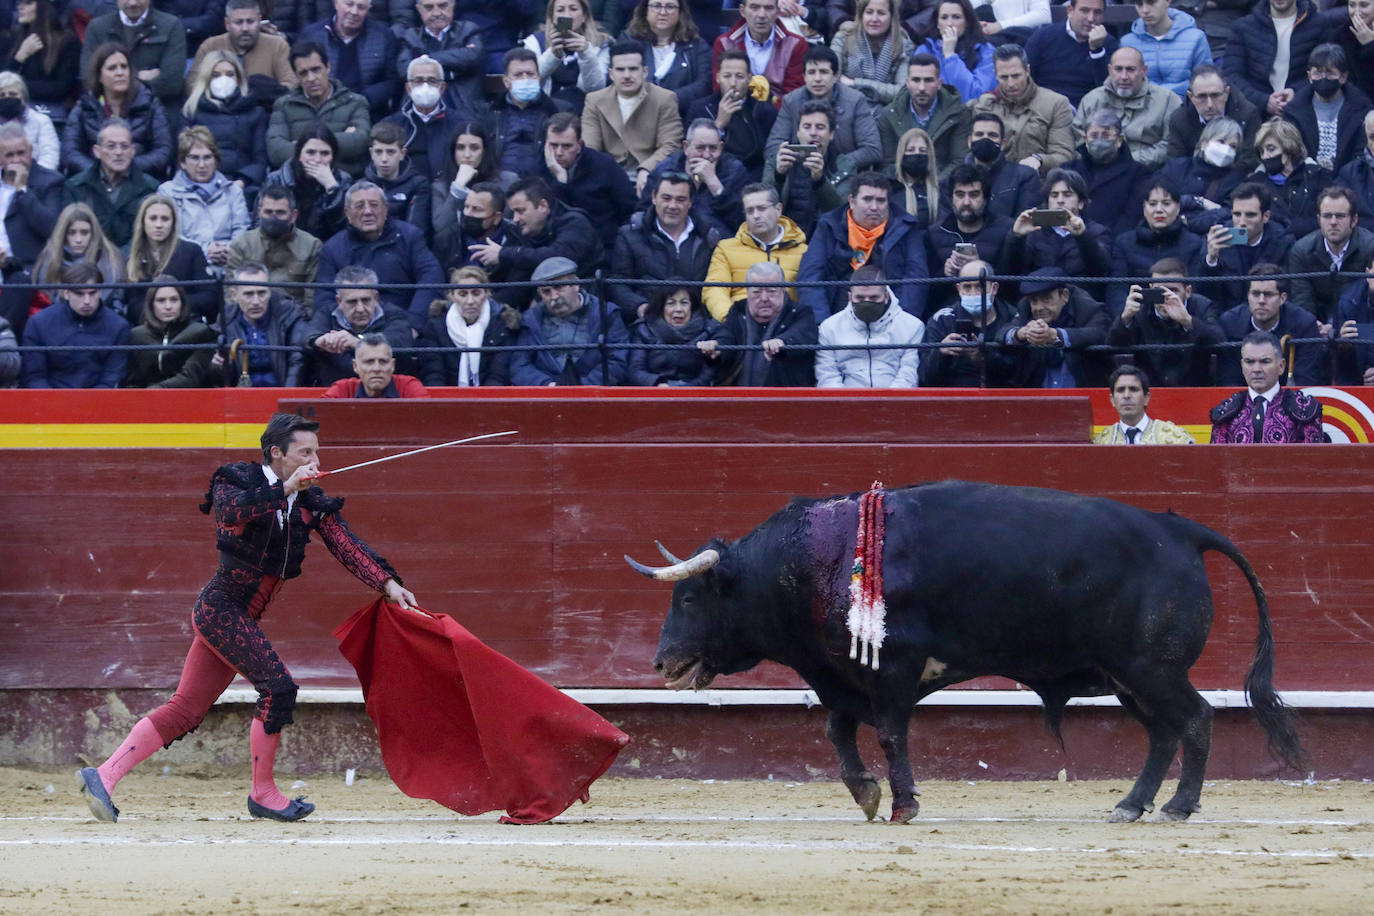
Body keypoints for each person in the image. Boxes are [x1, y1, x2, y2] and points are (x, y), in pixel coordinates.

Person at [75, 412, 417, 824]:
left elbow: (345, 543)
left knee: (186, 708)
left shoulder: (309, 500)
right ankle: (263, 793)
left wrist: (387, 584)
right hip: (221, 609)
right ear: (277, 453)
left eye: (316, 452)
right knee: (278, 687)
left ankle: (104, 775)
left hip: (238, 616)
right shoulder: (239, 480)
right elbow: (230, 514)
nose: (314, 460)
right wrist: (285, 489)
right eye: (304, 452)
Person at [797, 170, 929, 322]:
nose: (874, 207)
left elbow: (916, 279)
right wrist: (822, 324)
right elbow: (810, 277)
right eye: (867, 199)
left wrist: (900, 322)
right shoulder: (828, 225)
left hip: (891, 314)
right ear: (852, 201)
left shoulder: (907, 227)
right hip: (837, 315)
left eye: (881, 200)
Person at [316, 181, 444, 332]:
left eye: (374, 205)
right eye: (359, 206)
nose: (368, 211)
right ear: (347, 214)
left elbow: (431, 277)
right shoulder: (332, 248)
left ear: (386, 209)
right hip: (351, 329)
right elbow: (324, 298)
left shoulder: (410, 237)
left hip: (403, 326)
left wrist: (414, 324)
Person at [609, 170, 722, 323]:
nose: (672, 205)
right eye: (666, 198)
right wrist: (640, 307)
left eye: (680, 199)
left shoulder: (709, 237)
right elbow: (618, 283)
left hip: (699, 325)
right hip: (648, 324)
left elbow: (718, 286)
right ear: (654, 197)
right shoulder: (629, 235)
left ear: (690, 203)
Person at [469, 177, 603, 296]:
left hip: (584, 297)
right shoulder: (521, 230)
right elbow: (518, 281)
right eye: (513, 212)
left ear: (543, 206)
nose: (515, 219)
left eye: (520, 211)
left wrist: (505, 253)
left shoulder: (575, 223)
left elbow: (558, 259)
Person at [581, 40, 686, 193]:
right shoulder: (594, 100)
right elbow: (590, 148)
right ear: (611, 73)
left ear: (645, 71)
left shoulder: (665, 98)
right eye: (620, 70)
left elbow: (671, 145)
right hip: (608, 178)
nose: (627, 75)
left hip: (651, 177)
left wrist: (646, 169)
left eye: (633, 69)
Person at [508, 255, 630, 385]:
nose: (554, 296)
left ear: (576, 284)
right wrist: (547, 386)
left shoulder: (606, 313)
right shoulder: (531, 319)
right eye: (546, 291)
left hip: (594, 395)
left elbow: (617, 361)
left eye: (559, 287)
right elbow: (519, 366)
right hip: (547, 396)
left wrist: (584, 389)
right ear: (539, 294)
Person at [764, 46, 882, 177]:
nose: (817, 78)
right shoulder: (791, 101)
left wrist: (839, 166)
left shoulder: (855, 100)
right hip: (801, 173)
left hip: (844, 176)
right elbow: (772, 147)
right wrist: (799, 159)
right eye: (811, 72)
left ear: (836, 75)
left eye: (824, 72)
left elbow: (872, 149)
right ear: (804, 76)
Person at [61, 42, 172, 178]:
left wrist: (124, 167)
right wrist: (101, 171)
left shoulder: (150, 104)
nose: (120, 73)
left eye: (124, 67)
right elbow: (70, 152)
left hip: (139, 180)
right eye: (112, 68)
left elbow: (163, 151)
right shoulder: (84, 106)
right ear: (99, 76)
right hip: (94, 182)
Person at [1108, 256, 1223, 387]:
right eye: (1160, 291)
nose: (1166, 297)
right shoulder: (1140, 309)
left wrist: (1188, 321)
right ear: (1150, 288)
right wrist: (1125, 318)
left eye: (1173, 290)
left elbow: (1220, 342)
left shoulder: (1202, 306)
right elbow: (1112, 345)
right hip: (1150, 391)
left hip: (1194, 389)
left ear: (1188, 291)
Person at [538, 112, 638, 258]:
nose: (558, 153)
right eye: (553, 145)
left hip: (603, 251)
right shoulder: (538, 169)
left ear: (579, 145)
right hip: (556, 251)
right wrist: (560, 180)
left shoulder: (604, 166)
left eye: (566, 146)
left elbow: (629, 211)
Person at [1223, 0, 1346, 118]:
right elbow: (1232, 75)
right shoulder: (1243, 27)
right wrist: (1263, 101)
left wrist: (1296, 93)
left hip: (1305, 111)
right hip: (1255, 113)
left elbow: (1328, 70)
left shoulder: (1320, 24)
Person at [703, 182, 807, 320]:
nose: (756, 215)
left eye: (762, 208)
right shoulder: (726, 249)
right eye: (750, 210)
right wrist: (731, 320)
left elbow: (811, 294)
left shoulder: (803, 251)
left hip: (788, 327)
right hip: (740, 327)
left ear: (778, 209)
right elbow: (714, 289)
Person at [267, 41, 371, 178]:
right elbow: (276, 151)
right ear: (296, 76)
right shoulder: (284, 105)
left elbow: (359, 142)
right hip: (298, 182)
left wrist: (302, 146)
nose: (311, 78)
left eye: (316, 70)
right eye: (303, 73)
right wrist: (336, 141)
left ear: (328, 67)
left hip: (344, 180)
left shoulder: (354, 102)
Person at [20, 261, 130, 388]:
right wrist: (53, 404)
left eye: (92, 293)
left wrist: (90, 405)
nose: (87, 301)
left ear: (100, 292)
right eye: (79, 294)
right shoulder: (39, 323)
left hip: (98, 403)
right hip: (50, 402)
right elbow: (34, 376)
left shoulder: (118, 327)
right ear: (66, 293)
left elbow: (112, 378)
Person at [970, 43, 1074, 176]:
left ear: (1027, 70)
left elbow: (1064, 155)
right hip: (993, 181)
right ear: (995, 75)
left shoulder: (1056, 104)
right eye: (1004, 77)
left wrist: (1040, 160)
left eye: (1016, 76)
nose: (1011, 84)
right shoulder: (985, 105)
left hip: (1038, 182)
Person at [158, 128, 251, 276]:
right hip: (186, 265)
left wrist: (227, 250)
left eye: (207, 157)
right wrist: (206, 250)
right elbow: (173, 234)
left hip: (230, 264)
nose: (202, 165)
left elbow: (241, 229)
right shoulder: (167, 192)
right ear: (183, 162)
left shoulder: (233, 191)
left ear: (216, 160)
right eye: (194, 158)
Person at [1215, 263, 1326, 386]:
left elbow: (1306, 379)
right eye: (1255, 294)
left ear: (1283, 298)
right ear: (1248, 296)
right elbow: (1228, 380)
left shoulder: (1304, 324)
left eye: (1268, 294)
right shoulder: (1230, 323)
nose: (1261, 301)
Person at [815, 263, 924, 388]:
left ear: (886, 296)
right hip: (845, 402)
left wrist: (888, 403)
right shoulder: (830, 328)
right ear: (850, 297)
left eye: (873, 298)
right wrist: (845, 404)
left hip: (895, 402)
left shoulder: (912, 326)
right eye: (860, 298)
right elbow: (827, 376)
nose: (867, 302)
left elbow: (908, 375)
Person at [305, 264, 417, 385]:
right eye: (352, 302)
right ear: (339, 301)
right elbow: (308, 335)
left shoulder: (393, 313)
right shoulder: (326, 313)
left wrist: (359, 342)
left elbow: (401, 342)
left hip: (387, 392)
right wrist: (320, 341)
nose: (360, 308)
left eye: (365, 300)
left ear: (376, 298)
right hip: (334, 393)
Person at [710, 259, 816, 386]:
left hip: (784, 398)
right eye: (756, 292)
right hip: (737, 397)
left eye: (771, 291)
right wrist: (717, 347)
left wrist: (783, 343)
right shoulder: (738, 310)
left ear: (783, 290)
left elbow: (801, 335)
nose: (764, 298)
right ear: (747, 292)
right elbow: (727, 336)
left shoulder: (801, 313)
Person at [1001, 266, 1111, 387]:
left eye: (1046, 299)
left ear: (1064, 295)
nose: (1039, 307)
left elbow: (1100, 333)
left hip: (1084, 388)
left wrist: (1055, 335)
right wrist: (1022, 333)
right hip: (1037, 392)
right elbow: (1002, 333)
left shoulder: (1086, 306)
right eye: (1034, 301)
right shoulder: (1025, 306)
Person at [1074, 47, 1182, 170]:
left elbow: (1171, 143)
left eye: (1131, 70)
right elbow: (1078, 136)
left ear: (1144, 71)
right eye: (1118, 69)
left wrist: (1127, 162)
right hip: (1096, 168)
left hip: (1147, 171)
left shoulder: (1167, 100)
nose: (1124, 76)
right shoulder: (1092, 99)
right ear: (1109, 70)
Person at [1004, 168, 1112, 287]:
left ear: (1081, 203)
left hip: (1081, 301)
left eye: (1067, 195)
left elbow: (1101, 271)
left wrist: (1083, 236)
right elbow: (1012, 274)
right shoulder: (1035, 231)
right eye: (1054, 195)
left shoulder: (1098, 232)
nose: (1060, 201)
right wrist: (1016, 237)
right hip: (1039, 299)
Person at [1209, 330, 1325, 442]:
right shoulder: (1226, 413)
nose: (1257, 369)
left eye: (1265, 361)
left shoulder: (1303, 410)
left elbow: (1312, 459)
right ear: (1242, 366)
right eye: (1249, 362)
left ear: (1281, 366)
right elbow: (1216, 460)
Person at [226, 186, 323, 317]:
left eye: (280, 212)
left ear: (293, 215)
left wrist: (303, 322)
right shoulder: (241, 244)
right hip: (249, 316)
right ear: (259, 212)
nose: (273, 218)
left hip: (294, 317)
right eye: (268, 212)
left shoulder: (311, 245)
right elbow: (231, 292)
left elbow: (312, 297)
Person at [62, 120, 160, 249]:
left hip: (134, 262)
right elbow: (69, 234)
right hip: (88, 261)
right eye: (111, 146)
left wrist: (119, 260)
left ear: (132, 151)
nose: (118, 152)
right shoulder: (76, 186)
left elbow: (149, 237)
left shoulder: (149, 188)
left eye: (124, 146)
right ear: (97, 151)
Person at [919, 257, 1017, 387]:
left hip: (1001, 396)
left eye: (979, 286)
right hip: (952, 397)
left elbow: (1020, 375)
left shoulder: (1012, 317)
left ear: (994, 288)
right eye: (967, 287)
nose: (973, 293)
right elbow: (924, 377)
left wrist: (985, 358)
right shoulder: (942, 320)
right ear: (959, 289)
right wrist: (941, 354)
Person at [926, 163, 1012, 310]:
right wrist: (945, 274)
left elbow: (1015, 283)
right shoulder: (935, 233)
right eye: (960, 194)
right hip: (948, 315)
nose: (966, 202)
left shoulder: (1006, 229)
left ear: (985, 198)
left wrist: (982, 267)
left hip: (996, 313)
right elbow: (927, 291)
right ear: (951, 198)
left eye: (974, 195)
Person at [642, 118, 749, 236]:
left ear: (721, 148)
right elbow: (644, 213)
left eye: (713, 148)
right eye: (700, 148)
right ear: (686, 147)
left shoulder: (734, 171)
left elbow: (742, 222)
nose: (707, 155)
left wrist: (715, 185)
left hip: (719, 243)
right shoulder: (665, 169)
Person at [1110, 178, 1203, 313]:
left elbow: (1195, 289)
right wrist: (1126, 315)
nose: (1159, 210)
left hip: (1179, 315)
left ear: (1178, 208)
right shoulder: (1124, 242)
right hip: (1136, 318)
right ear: (1144, 208)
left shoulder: (1193, 243)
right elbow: (1117, 289)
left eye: (1166, 203)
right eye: (1152, 204)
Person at [298, 0, 402, 121]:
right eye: (349, 4)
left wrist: (363, 100)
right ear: (336, 3)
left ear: (368, 9)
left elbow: (393, 81)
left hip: (368, 111)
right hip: (321, 111)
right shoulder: (312, 35)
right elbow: (300, 75)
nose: (354, 12)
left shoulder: (384, 35)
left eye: (361, 7)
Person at [1286, 186, 1374, 328]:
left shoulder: (1370, 248)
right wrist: (1314, 327)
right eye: (1327, 216)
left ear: (1354, 220)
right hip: (1318, 329)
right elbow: (1303, 301)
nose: (1333, 222)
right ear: (1319, 219)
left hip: (1359, 326)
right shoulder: (1301, 250)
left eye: (1340, 216)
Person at [764, 101, 855, 237]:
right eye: (807, 127)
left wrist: (820, 181)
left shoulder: (844, 165)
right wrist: (779, 176)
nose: (813, 133)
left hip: (823, 238)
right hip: (782, 236)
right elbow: (763, 207)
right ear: (798, 133)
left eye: (820, 127)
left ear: (831, 134)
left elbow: (841, 213)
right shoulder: (777, 160)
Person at [1196, 182, 1295, 307]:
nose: (1242, 222)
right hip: (1227, 316)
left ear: (1266, 216)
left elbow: (1290, 292)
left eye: (1250, 215)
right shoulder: (1217, 239)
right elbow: (1206, 296)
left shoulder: (1283, 243)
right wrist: (1210, 261)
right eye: (1237, 214)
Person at [183, 52, 270, 193]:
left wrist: (242, 182)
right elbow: (183, 156)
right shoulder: (191, 111)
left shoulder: (255, 112)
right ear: (206, 78)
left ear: (239, 78)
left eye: (230, 74)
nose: (224, 79)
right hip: (199, 185)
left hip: (242, 186)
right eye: (216, 75)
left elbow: (260, 158)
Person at [684, 49, 778, 179]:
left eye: (739, 76)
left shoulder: (764, 110)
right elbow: (690, 150)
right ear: (718, 78)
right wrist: (718, 125)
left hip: (752, 178)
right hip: (710, 173)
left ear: (749, 79)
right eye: (727, 76)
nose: (733, 83)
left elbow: (767, 156)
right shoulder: (700, 108)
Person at [419, 265, 519, 386]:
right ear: (452, 295)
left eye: (476, 293)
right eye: (462, 294)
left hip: (488, 399)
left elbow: (498, 375)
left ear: (487, 293)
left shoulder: (502, 325)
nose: (470, 301)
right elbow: (433, 374)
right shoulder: (435, 326)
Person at [79, 0, 188, 109]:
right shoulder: (97, 28)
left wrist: (116, 83)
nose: (133, 3)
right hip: (108, 113)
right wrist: (138, 76)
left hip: (158, 111)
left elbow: (172, 84)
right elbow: (88, 78)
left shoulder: (171, 26)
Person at [878, 52, 969, 180]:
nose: (921, 88)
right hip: (902, 187)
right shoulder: (889, 115)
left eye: (928, 80)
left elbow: (959, 161)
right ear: (907, 82)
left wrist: (932, 187)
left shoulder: (958, 113)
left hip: (942, 186)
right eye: (916, 80)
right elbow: (888, 164)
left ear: (939, 83)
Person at [1281, 44, 1371, 174]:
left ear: (1343, 77)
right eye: (1317, 73)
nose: (1323, 78)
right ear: (1309, 76)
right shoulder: (1294, 111)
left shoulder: (1362, 108)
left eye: (1329, 73)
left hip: (1350, 180)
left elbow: (1362, 152)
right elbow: (1290, 151)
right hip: (1305, 179)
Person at [126, 194, 215, 323]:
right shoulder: (133, 257)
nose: (159, 225)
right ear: (143, 222)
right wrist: (156, 311)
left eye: (165, 219)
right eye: (153, 218)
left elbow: (209, 296)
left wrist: (176, 307)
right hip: (147, 329)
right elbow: (132, 305)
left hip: (187, 325)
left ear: (173, 223)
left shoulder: (191, 251)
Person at [430, 121, 518, 250]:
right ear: (453, 152)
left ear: (485, 151)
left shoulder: (508, 181)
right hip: (457, 254)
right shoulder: (440, 186)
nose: (467, 155)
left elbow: (511, 225)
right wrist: (458, 187)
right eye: (460, 148)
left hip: (498, 250)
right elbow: (442, 227)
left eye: (474, 148)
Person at [31, 202, 127, 318]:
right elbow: (43, 298)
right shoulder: (49, 259)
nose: (78, 239)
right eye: (71, 233)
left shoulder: (110, 260)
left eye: (84, 232)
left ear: (93, 233)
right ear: (63, 233)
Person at [189, 0, 298, 101]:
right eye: (238, 22)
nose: (245, 28)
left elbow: (291, 85)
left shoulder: (277, 45)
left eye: (250, 22)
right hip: (217, 111)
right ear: (227, 24)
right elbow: (192, 85)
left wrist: (266, 90)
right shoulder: (210, 46)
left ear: (259, 21)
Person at [1063, 109, 1149, 236]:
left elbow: (1132, 217)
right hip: (1070, 239)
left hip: (1114, 242)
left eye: (1106, 135)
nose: (1099, 140)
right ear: (1085, 139)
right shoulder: (1067, 170)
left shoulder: (1139, 173)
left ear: (1119, 140)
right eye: (1094, 135)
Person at [395, 0, 485, 121]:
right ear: (419, 9)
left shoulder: (468, 29)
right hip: (419, 109)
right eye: (429, 7)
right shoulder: (411, 36)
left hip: (462, 106)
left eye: (443, 6)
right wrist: (452, 72)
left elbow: (473, 57)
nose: (436, 12)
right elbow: (404, 69)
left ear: (453, 5)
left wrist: (424, 58)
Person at [121, 278, 218, 389]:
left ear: (182, 302)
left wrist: (152, 392)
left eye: (174, 300)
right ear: (151, 305)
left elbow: (191, 378)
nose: (168, 306)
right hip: (146, 402)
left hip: (189, 398)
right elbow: (132, 382)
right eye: (161, 300)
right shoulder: (136, 336)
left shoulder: (201, 332)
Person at [378, 56, 461, 185]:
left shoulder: (461, 124)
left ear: (442, 87)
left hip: (448, 191)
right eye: (418, 80)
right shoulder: (389, 125)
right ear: (408, 88)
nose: (425, 86)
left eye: (432, 80)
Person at [1159, 115, 1249, 234]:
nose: (1226, 149)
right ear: (1204, 143)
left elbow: (1231, 215)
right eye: (1221, 141)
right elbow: (1156, 200)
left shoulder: (1236, 180)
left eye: (1233, 146)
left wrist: (1197, 204)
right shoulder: (1176, 167)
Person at [622, 0, 713, 116]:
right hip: (637, 115)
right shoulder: (628, 40)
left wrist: (669, 99)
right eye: (656, 6)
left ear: (680, 12)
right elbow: (621, 77)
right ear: (646, 9)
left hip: (681, 116)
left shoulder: (697, 46)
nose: (663, 12)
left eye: (670, 7)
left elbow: (704, 85)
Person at [263, 124, 353, 242]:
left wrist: (332, 189)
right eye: (310, 152)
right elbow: (260, 223)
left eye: (325, 153)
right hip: (283, 244)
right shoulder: (276, 179)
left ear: (333, 156)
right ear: (299, 154)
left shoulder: (343, 180)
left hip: (326, 247)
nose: (317, 160)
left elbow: (345, 229)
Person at [1023, 0, 1117, 109]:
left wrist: (1096, 50)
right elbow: (1025, 77)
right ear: (1070, 10)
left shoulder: (1109, 43)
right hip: (1046, 109)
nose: (1091, 18)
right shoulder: (1043, 37)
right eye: (1084, 11)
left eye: (1097, 12)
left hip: (1089, 111)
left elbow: (1108, 90)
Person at [521, 0, 610, 113]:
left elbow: (594, 87)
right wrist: (553, 54)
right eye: (560, 10)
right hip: (545, 112)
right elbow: (529, 81)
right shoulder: (535, 42)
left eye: (573, 9)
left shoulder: (601, 43)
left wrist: (586, 53)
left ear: (584, 16)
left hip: (585, 112)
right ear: (552, 16)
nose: (567, 15)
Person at [1251, 117, 1332, 242]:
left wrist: (1292, 227)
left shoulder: (1317, 176)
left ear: (1289, 148)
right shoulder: (1255, 183)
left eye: (1271, 149)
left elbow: (1328, 217)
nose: (1265, 156)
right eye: (1261, 151)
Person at [1168, 65, 1261, 173]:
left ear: (1226, 93)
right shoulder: (1179, 119)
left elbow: (1250, 161)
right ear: (1190, 97)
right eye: (1202, 96)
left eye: (1215, 95)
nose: (1209, 104)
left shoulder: (1247, 114)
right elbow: (1176, 163)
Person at [487, 47, 563, 179]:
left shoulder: (557, 111)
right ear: (506, 81)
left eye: (530, 74)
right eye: (518, 75)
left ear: (538, 77)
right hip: (499, 186)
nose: (525, 79)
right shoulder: (489, 113)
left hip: (544, 184)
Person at [0, 0, 80, 123]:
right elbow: (3, 81)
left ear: (44, 7)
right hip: (14, 111)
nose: (20, 7)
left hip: (55, 112)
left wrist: (19, 87)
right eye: (20, 3)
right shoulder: (14, 37)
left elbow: (62, 87)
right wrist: (19, 57)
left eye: (28, 3)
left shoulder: (67, 41)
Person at [626, 282, 720, 386]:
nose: (678, 309)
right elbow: (635, 370)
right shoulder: (645, 329)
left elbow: (710, 372)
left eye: (684, 303)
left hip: (695, 393)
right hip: (655, 393)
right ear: (661, 307)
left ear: (692, 306)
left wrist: (687, 390)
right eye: (671, 303)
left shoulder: (706, 329)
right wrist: (656, 384)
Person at [711, 0, 808, 100]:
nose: (762, 15)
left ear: (777, 12)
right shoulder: (724, 43)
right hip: (735, 110)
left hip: (781, 112)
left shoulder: (795, 44)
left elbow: (794, 94)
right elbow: (719, 89)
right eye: (754, 7)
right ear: (742, 11)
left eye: (768, 8)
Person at [0, 122, 63, 272]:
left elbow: (51, 228)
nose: (16, 160)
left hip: (27, 271)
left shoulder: (50, 181)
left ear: (31, 151)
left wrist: (22, 190)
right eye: (9, 155)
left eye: (21, 153)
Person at [1120, 0, 1213, 99]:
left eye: (1151, 2)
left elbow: (1205, 81)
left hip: (1185, 106)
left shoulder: (1196, 38)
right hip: (1141, 107)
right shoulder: (1127, 42)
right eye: (1139, 4)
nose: (1145, 10)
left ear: (1168, 1)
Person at [829, 0, 914, 106]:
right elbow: (830, 80)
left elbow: (902, 92)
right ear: (861, 15)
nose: (874, 19)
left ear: (891, 17)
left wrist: (854, 83)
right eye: (869, 12)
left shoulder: (904, 45)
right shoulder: (842, 38)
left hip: (886, 114)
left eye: (881, 13)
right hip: (846, 108)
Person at [963, 111, 1039, 220]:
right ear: (970, 142)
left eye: (992, 135)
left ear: (1003, 144)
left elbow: (1026, 221)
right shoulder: (953, 179)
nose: (985, 139)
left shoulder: (1025, 177)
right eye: (979, 134)